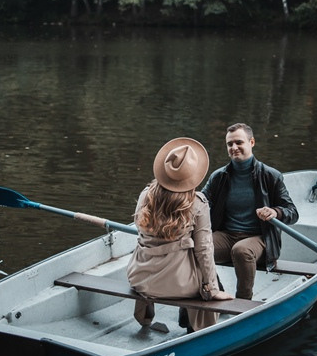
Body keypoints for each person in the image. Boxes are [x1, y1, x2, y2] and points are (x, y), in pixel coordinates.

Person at [127, 137, 233, 332]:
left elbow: (140, 232)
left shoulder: (145, 195)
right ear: (193, 175)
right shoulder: (198, 203)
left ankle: (145, 317)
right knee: (205, 276)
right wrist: (212, 289)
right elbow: (204, 249)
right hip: (179, 285)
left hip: (140, 278)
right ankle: (197, 328)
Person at [201, 123, 298, 302]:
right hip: (227, 235)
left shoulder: (271, 176)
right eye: (230, 144)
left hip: (260, 239)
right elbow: (200, 202)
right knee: (195, 246)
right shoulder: (219, 176)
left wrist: (275, 212)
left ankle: (243, 303)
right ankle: (216, 290)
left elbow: (292, 212)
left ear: (251, 142)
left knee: (241, 250)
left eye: (239, 142)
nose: (234, 147)